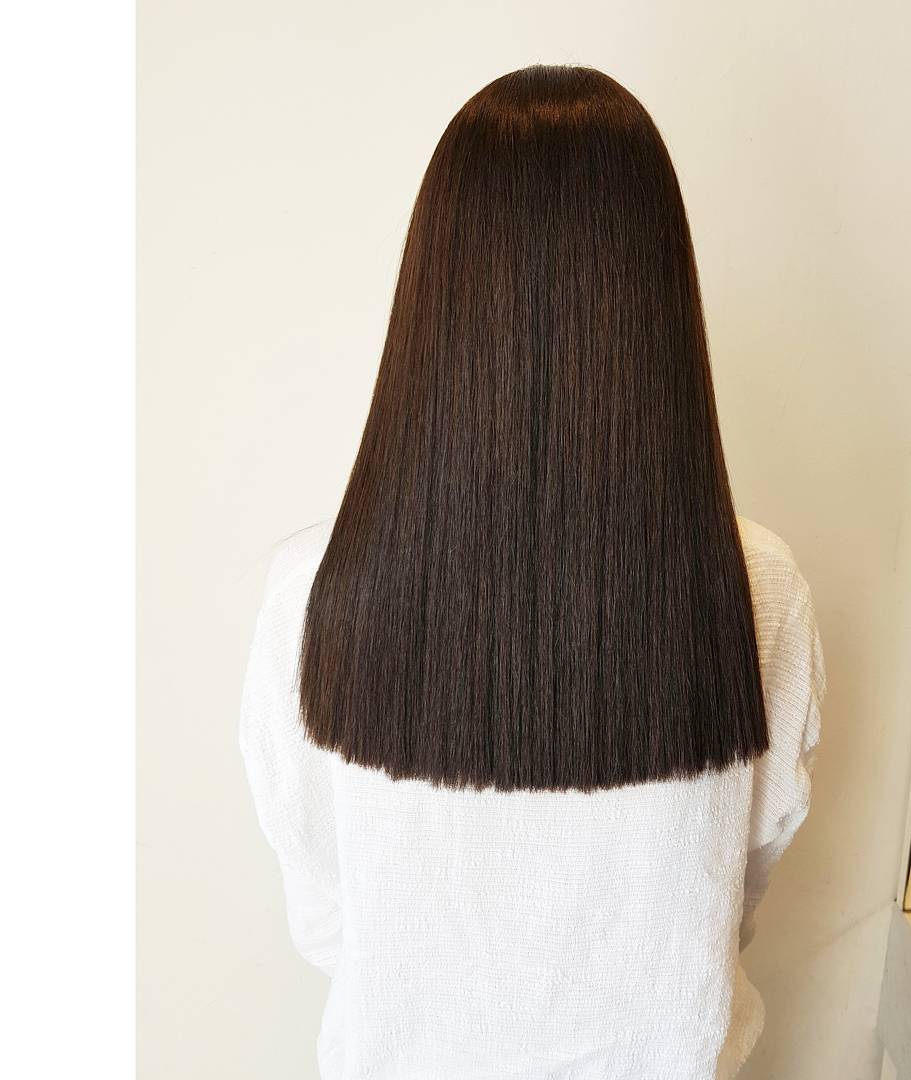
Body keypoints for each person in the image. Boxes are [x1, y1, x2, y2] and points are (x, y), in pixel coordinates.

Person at [240, 64, 825, 1080]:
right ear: (657, 292)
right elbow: (741, 877)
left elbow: (323, 905)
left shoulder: (313, 590)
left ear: (436, 290)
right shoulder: (756, 586)